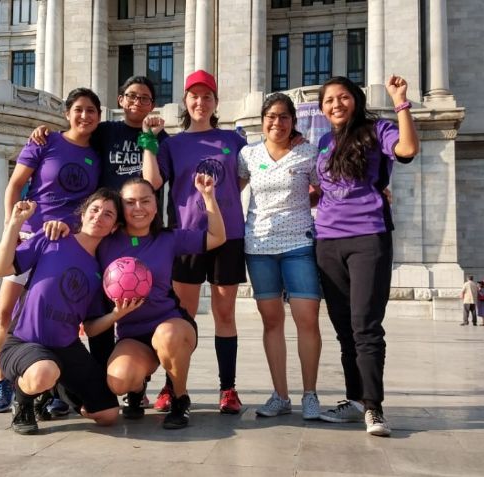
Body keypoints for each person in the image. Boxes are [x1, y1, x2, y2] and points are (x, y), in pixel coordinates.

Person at [28, 76, 171, 396]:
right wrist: (45, 133)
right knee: (102, 304)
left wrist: (149, 138)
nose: (137, 102)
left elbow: (154, 182)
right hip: (108, 230)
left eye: (145, 98)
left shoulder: (161, 137)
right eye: (131, 96)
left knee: (140, 300)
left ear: (152, 105)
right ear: (120, 100)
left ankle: (138, 384)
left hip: (141, 229)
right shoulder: (106, 132)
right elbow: (74, 137)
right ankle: (100, 376)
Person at [313, 75, 419, 437]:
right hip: (327, 242)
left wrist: (401, 101)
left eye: (343, 98)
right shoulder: (325, 142)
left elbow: (407, 149)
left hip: (368, 238)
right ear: (322, 107)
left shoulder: (378, 129)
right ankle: (354, 400)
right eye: (329, 100)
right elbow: (322, 189)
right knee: (344, 329)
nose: (336, 105)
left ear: (355, 101)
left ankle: (374, 407)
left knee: (366, 326)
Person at [141, 70, 248, 414]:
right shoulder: (171, 144)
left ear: (216, 102)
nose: (200, 102)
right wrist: (148, 140)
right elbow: (152, 182)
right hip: (186, 236)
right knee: (182, 316)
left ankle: (228, 389)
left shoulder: (233, 140)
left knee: (224, 313)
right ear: (185, 101)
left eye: (207, 97)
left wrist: (220, 202)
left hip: (228, 235)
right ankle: (173, 387)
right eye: (194, 96)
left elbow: (242, 179)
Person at [0, 87, 102, 414]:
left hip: (68, 244)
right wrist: (12, 229)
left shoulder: (96, 155)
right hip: (31, 235)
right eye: (78, 109)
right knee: (7, 312)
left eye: (91, 110)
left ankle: (53, 388)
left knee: (58, 318)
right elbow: (14, 185)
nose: (85, 116)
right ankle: (2, 381)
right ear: (67, 113)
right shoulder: (45, 141)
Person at [0, 189, 138, 435]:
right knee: (43, 372)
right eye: (95, 209)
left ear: (114, 227)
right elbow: (0, 268)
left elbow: (90, 327)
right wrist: (15, 223)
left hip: (66, 348)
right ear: (83, 213)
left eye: (108, 214)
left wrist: (116, 315)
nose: (99, 217)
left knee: (108, 414)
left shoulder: (100, 271)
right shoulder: (52, 237)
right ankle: (23, 399)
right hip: (24, 342)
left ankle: (57, 388)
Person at [93, 175, 225, 429]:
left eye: (145, 200)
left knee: (167, 335)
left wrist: (208, 197)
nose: (138, 208)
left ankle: (179, 398)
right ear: (121, 207)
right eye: (130, 202)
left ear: (156, 205)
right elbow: (79, 239)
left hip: (172, 326)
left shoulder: (168, 238)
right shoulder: (105, 243)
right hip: (132, 334)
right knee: (118, 382)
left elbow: (216, 237)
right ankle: (137, 386)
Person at [237, 93, 323, 420]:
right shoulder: (248, 154)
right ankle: (280, 395)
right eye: (271, 116)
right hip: (258, 247)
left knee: (307, 319)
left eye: (284, 117)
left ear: (293, 121)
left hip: (299, 244)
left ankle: (310, 394)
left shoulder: (308, 153)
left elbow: (325, 191)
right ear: (262, 121)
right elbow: (234, 191)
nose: (277, 122)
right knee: (271, 321)